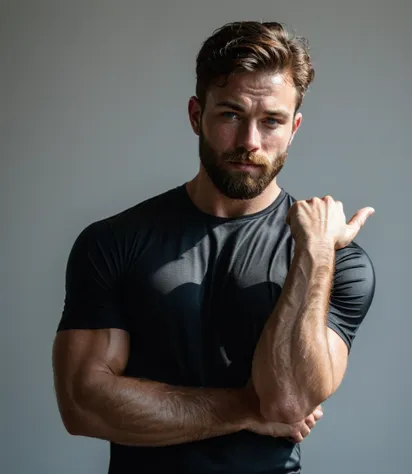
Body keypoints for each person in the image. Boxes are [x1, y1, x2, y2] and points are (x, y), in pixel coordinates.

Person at [52, 20, 376, 474]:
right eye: (230, 115)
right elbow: (83, 405)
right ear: (195, 115)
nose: (250, 142)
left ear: (294, 128)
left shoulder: (334, 260)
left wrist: (315, 252)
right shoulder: (113, 242)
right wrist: (246, 407)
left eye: (272, 122)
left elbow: (288, 401)